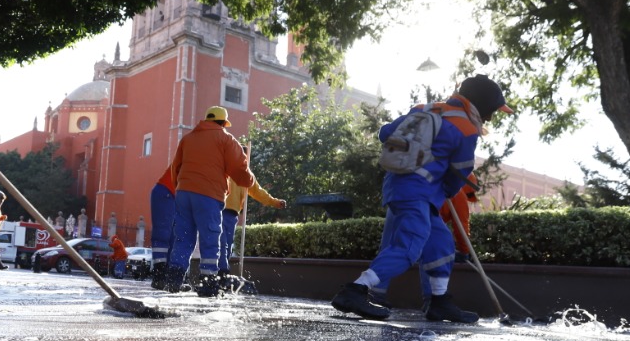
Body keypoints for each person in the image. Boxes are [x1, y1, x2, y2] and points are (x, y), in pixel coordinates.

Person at [331, 75, 512, 322]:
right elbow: (460, 173)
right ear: (481, 106)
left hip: (399, 187)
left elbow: (385, 133)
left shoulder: (425, 110)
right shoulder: (467, 130)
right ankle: (355, 290)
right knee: (408, 247)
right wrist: (445, 188)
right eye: (491, 111)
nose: (491, 117)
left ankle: (439, 302)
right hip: (419, 193)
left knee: (441, 244)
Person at [163, 106, 258, 297]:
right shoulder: (226, 139)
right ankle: (208, 282)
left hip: (184, 193)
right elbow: (238, 169)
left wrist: (180, 187)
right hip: (208, 195)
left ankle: (174, 279)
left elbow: (176, 167)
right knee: (210, 236)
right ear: (223, 123)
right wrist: (249, 180)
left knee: (183, 236)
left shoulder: (188, 139)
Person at [218, 170, 286, 284]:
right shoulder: (224, 166)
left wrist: (275, 202)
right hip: (218, 208)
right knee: (222, 243)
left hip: (232, 213)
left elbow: (257, 191)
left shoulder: (244, 172)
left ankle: (221, 274)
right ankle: (221, 272)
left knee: (227, 245)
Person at [148, 162, 177, 290]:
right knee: (163, 234)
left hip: (171, 194)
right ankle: (159, 274)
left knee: (174, 237)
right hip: (166, 191)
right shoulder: (197, 157)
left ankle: (167, 277)